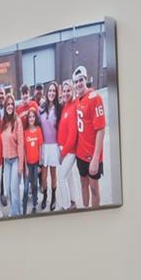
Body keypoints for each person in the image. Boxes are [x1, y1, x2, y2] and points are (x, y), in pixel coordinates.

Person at [73, 67, 108, 209]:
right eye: (76, 82)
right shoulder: (77, 100)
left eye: (81, 80)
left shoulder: (95, 98)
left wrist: (95, 159)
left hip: (92, 156)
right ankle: (86, 211)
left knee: (94, 189)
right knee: (83, 184)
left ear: (86, 79)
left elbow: (101, 130)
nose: (78, 84)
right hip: (80, 154)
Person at [54, 78, 81, 208]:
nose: (65, 93)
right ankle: (74, 200)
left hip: (69, 151)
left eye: (68, 90)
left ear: (73, 90)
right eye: (64, 91)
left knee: (61, 177)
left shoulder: (73, 107)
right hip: (63, 148)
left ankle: (65, 206)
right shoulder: (66, 106)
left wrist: (62, 153)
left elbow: (73, 136)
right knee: (69, 176)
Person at [37, 82, 62, 213]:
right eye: (50, 91)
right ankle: (45, 196)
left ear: (56, 93)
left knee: (53, 174)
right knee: (43, 175)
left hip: (54, 146)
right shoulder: (41, 108)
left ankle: (53, 198)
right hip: (44, 146)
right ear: (47, 93)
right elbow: (35, 125)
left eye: (54, 91)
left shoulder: (60, 108)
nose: (52, 93)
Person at [0, 103, 21, 219]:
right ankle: (13, 209)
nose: (10, 106)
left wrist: (21, 165)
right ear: (5, 106)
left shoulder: (17, 121)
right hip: (6, 161)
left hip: (16, 159)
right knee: (7, 189)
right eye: (8, 104)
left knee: (14, 188)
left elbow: (21, 144)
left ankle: (17, 213)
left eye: (12, 104)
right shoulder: (3, 122)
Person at [20, 107, 45, 215]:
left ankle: (34, 204)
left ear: (35, 118)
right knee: (26, 188)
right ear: (27, 118)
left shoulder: (38, 130)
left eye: (33, 116)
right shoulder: (25, 132)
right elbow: (24, 151)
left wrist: (40, 164)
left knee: (34, 185)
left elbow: (40, 147)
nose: (31, 118)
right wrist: (25, 166)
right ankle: (24, 206)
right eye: (29, 116)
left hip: (36, 164)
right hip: (28, 165)